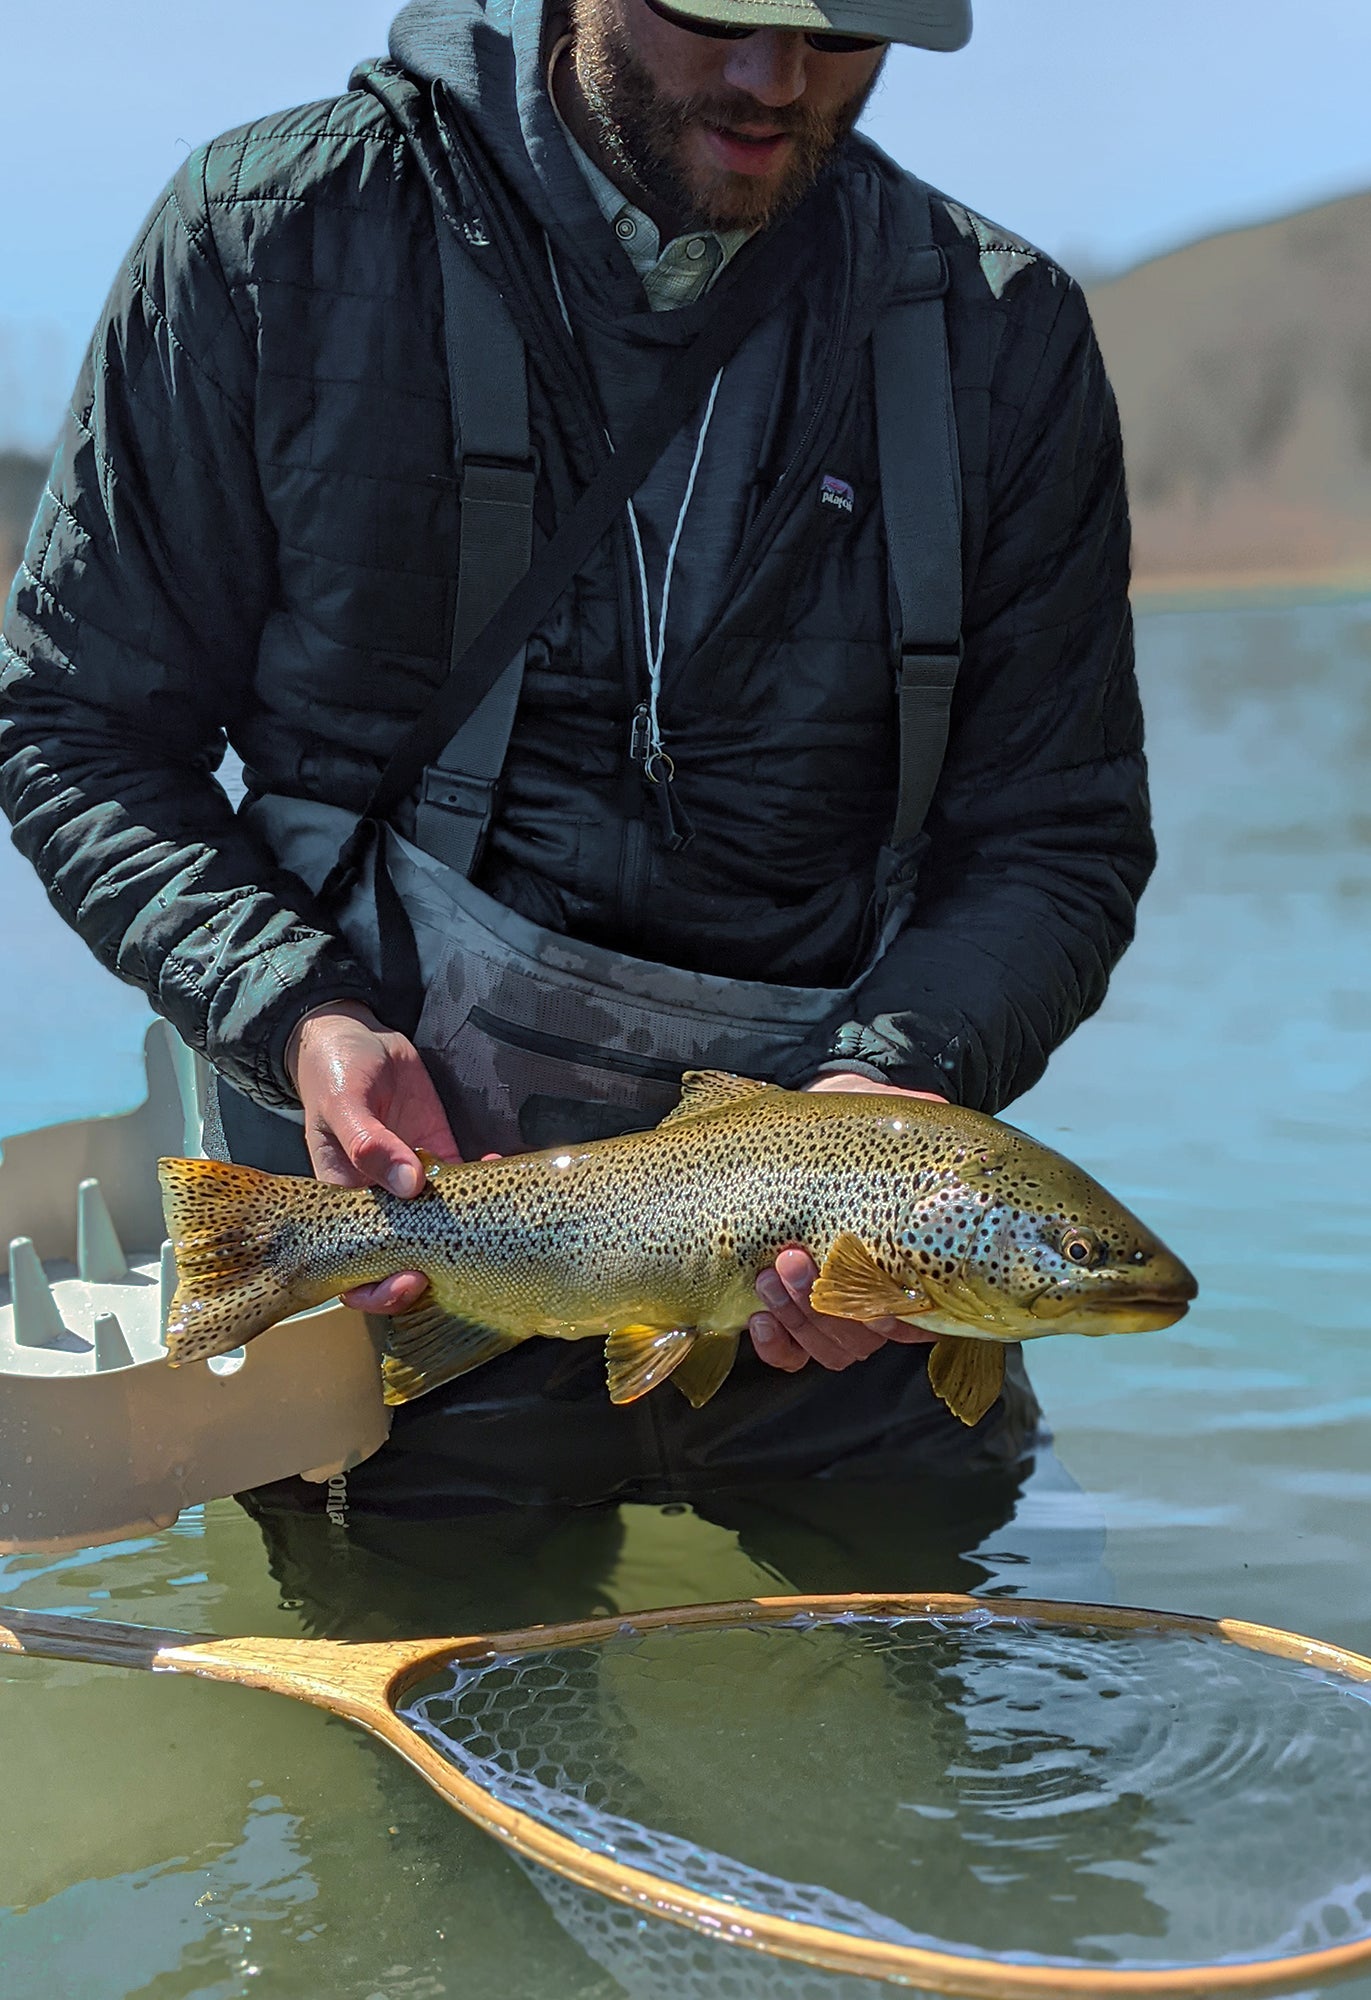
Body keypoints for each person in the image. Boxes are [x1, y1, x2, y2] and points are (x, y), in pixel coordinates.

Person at [0, 0, 1151, 1518]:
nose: (776, 78)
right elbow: (76, 727)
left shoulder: (1005, 338)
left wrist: (901, 1090)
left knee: (966, 1748)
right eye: (717, 10)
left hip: (850, 1348)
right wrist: (297, 1018)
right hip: (392, 1320)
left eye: (847, 32)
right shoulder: (265, 242)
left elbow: (1055, 842)